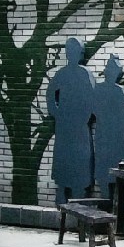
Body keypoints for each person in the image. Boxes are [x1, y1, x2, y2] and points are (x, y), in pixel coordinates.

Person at [46, 37, 96, 205]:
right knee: (63, 157)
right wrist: (56, 112)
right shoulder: (62, 73)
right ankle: (61, 193)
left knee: (81, 159)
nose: (72, 54)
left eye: (75, 51)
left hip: (79, 126)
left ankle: (79, 197)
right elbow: (50, 93)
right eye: (69, 51)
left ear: (80, 53)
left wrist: (85, 117)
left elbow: (91, 98)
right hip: (64, 124)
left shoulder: (84, 73)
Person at [92, 54, 124, 202]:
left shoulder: (119, 91)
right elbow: (94, 109)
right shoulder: (99, 89)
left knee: (117, 168)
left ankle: (119, 204)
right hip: (104, 135)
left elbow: (123, 111)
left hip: (115, 135)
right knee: (104, 170)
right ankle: (106, 202)